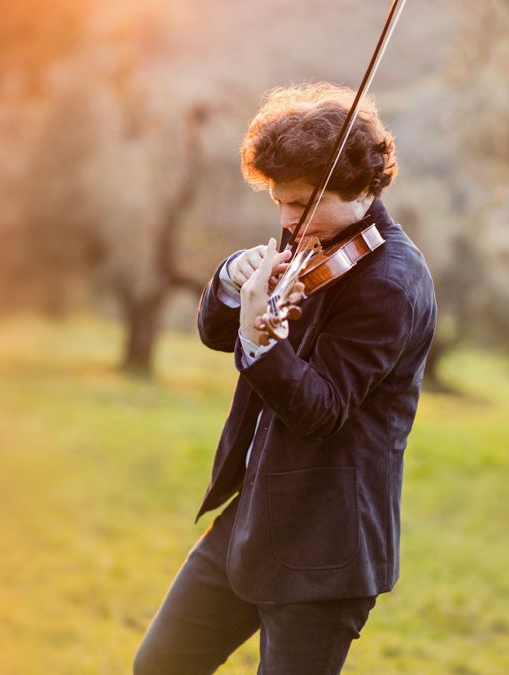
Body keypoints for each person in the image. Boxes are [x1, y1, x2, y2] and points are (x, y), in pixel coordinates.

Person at [132, 82, 436, 675]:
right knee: (159, 666)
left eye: (299, 205)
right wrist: (230, 281)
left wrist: (260, 340)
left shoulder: (391, 285)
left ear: (359, 189)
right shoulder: (308, 242)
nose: (286, 224)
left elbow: (320, 407)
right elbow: (217, 333)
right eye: (279, 204)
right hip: (251, 518)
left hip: (326, 549)